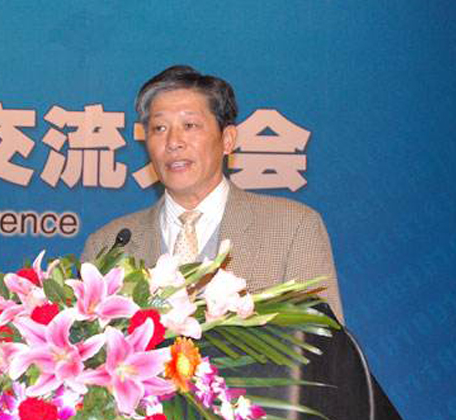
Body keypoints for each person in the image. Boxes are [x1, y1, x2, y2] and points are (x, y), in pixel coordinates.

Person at [81, 65, 344, 323]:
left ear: (227, 139)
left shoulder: (293, 228)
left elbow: (322, 342)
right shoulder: (107, 246)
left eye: (190, 125)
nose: (173, 142)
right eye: (159, 128)